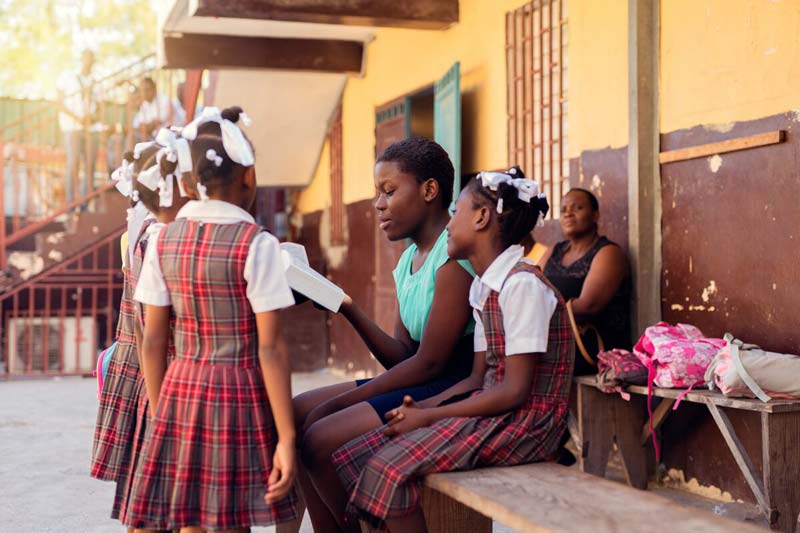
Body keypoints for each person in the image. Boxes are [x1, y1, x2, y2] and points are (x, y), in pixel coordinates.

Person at [331, 167, 574, 532]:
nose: (448, 224)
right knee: (356, 454)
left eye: (456, 212)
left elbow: (513, 391)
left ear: (481, 217)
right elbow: (479, 378)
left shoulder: (521, 285)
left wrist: (429, 419)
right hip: (498, 413)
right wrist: (419, 409)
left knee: (388, 468)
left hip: (529, 425)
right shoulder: (484, 288)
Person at [125, 107, 298, 532]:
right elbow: (270, 348)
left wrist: (160, 410)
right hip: (238, 392)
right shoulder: (256, 245)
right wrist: (287, 436)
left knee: (189, 514)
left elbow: (151, 341)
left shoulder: (162, 240)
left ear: (188, 182)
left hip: (180, 389)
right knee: (231, 513)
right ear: (250, 176)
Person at [294, 137, 476, 532]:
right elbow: (402, 356)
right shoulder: (410, 258)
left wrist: (345, 399)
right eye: (378, 193)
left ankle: (358, 528)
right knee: (297, 412)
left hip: (453, 386)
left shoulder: (453, 255)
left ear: (430, 190)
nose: (378, 204)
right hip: (423, 378)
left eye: (389, 191)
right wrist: (347, 307)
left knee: (319, 437)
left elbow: (430, 363)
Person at [110, 130, 194, 529]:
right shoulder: (165, 241)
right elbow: (154, 336)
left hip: (151, 384)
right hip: (168, 385)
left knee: (150, 501)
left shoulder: (136, 234)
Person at [91, 142, 161, 525]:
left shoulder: (135, 229)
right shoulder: (159, 237)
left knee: (142, 490)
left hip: (134, 365)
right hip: (156, 372)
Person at [538, 188, 631, 375]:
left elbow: (588, 306)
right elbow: (529, 288)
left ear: (595, 215)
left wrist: (533, 315)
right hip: (553, 340)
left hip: (592, 347)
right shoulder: (553, 251)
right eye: (563, 209)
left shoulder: (608, 253)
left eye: (578, 208)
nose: (568, 214)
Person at [57, 49, 101, 208]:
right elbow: (59, 103)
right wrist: (78, 118)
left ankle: (84, 204)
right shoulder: (67, 78)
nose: (88, 61)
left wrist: (92, 118)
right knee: (73, 162)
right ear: (81, 59)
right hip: (72, 126)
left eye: (91, 59)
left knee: (90, 165)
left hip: (92, 128)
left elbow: (100, 108)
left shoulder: (96, 82)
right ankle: (70, 203)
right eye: (86, 58)